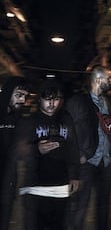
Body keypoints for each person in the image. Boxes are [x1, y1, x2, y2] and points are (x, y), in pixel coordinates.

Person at [18, 79, 80, 230]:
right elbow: (19, 151)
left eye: (56, 99)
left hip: (60, 187)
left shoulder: (66, 119)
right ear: (40, 99)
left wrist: (75, 176)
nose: (52, 104)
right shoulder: (30, 121)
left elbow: (73, 147)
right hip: (35, 187)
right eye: (48, 99)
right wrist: (37, 150)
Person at [65, 66, 111, 230]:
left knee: (103, 206)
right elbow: (67, 130)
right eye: (109, 78)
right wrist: (77, 155)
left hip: (106, 162)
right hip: (86, 162)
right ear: (98, 79)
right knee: (80, 206)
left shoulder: (109, 102)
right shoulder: (78, 102)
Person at [0, 76, 29, 230]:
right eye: (18, 95)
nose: (22, 100)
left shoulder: (18, 118)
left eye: (24, 96)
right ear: (8, 92)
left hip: (8, 180)